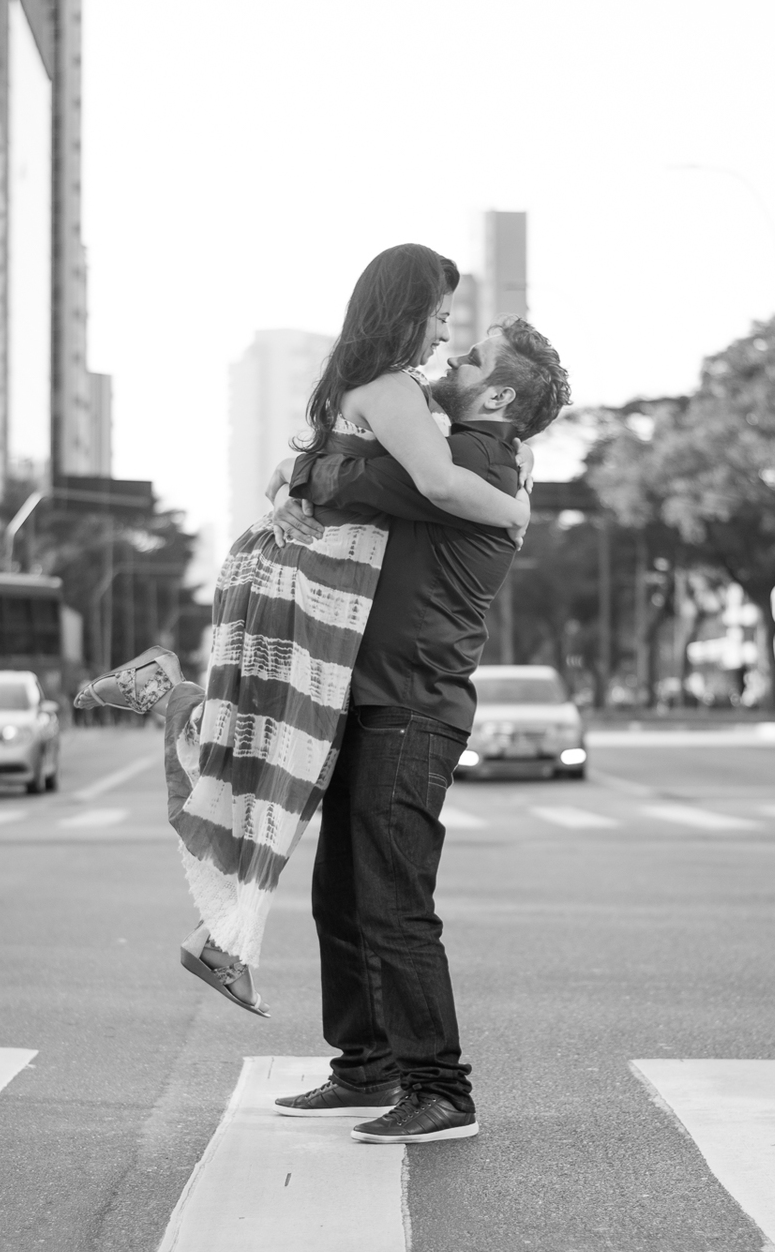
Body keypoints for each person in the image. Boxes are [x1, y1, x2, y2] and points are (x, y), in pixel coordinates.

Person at [74, 244, 531, 1012]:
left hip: (299, 577)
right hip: (312, 584)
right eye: (442, 316)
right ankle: (223, 929)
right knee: (277, 763)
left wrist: (295, 476)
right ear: (404, 311)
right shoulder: (392, 388)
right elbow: (437, 483)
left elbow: (302, 468)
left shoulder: (369, 387)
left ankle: (224, 935)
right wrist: (516, 512)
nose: (447, 337)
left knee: (269, 765)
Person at [268, 316, 571, 1143]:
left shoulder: (475, 461)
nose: (448, 357)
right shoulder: (463, 456)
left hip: (412, 709)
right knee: (342, 893)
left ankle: (441, 1089)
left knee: (395, 901)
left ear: (499, 394)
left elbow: (347, 477)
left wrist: (307, 468)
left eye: (471, 358)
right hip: (374, 701)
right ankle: (366, 1065)